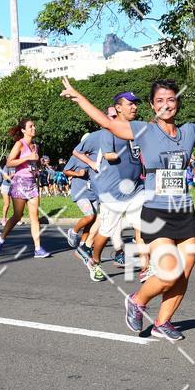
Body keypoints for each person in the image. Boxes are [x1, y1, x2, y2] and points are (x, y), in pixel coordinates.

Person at [60, 76, 195, 339]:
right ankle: (137, 301)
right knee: (168, 271)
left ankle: (163, 322)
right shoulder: (143, 130)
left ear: (177, 103)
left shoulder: (189, 131)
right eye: (160, 100)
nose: (166, 105)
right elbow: (107, 122)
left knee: (184, 272)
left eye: (171, 99)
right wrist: (79, 97)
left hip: (183, 211)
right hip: (156, 211)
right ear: (153, 105)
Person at [72, 93, 146, 282]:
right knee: (104, 232)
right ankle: (93, 260)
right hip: (113, 192)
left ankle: (146, 268)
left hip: (136, 188)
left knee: (142, 227)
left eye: (135, 104)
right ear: (119, 108)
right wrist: (124, 150)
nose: (134, 107)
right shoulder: (108, 131)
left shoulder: (138, 128)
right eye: (130, 104)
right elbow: (109, 155)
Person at [0, 119, 50, 258]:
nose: (34, 128)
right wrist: (27, 158)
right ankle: (0, 239)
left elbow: (33, 165)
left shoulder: (35, 146)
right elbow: (9, 162)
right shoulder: (20, 144)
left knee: (34, 217)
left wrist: (37, 168)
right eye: (31, 126)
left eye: (34, 126)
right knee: (18, 216)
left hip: (32, 183)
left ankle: (37, 249)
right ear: (23, 130)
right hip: (19, 183)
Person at [64, 152, 98, 251]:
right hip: (80, 192)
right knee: (89, 216)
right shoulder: (76, 157)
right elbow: (65, 171)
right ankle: (73, 232)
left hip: (93, 192)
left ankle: (83, 243)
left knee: (93, 219)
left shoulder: (97, 157)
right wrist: (77, 173)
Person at [0, 157, 13, 227]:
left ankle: (16, 219)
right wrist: (12, 175)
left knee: (16, 204)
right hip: (6, 187)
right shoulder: (6, 167)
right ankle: (4, 219)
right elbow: (5, 177)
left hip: (14, 187)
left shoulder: (16, 166)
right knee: (7, 204)